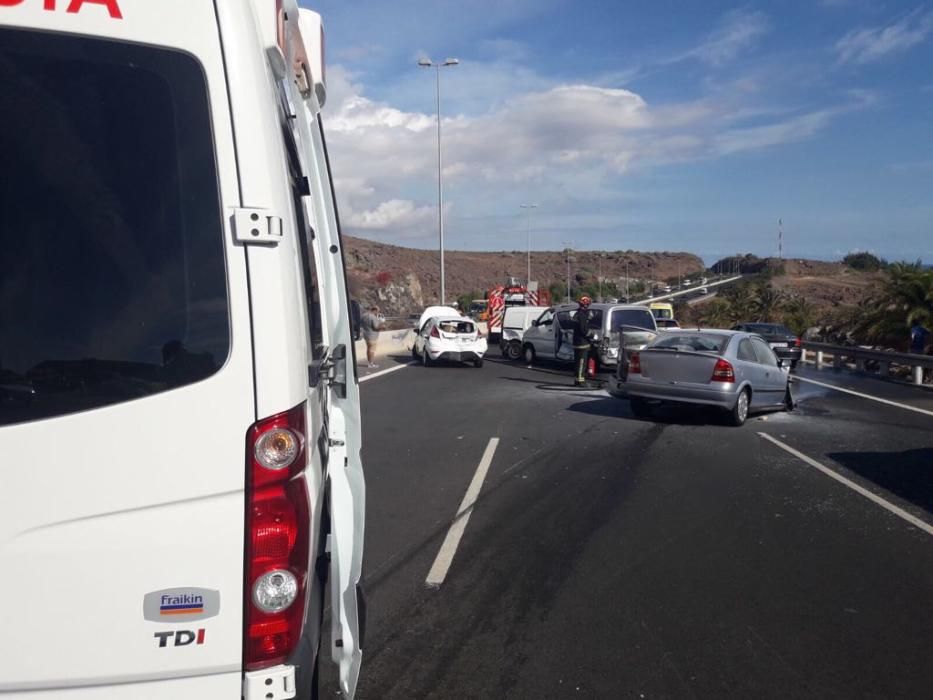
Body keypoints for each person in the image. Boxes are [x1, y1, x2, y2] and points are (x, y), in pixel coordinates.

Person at [571, 295, 593, 386]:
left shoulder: (577, 313)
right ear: (586, 305)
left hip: (577, 342)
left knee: (577, 362)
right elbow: (583, 329)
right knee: (581, 362)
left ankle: (577, 380)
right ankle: (580, 381)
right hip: (582, 343)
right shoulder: (582, 315)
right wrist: (592, 335)